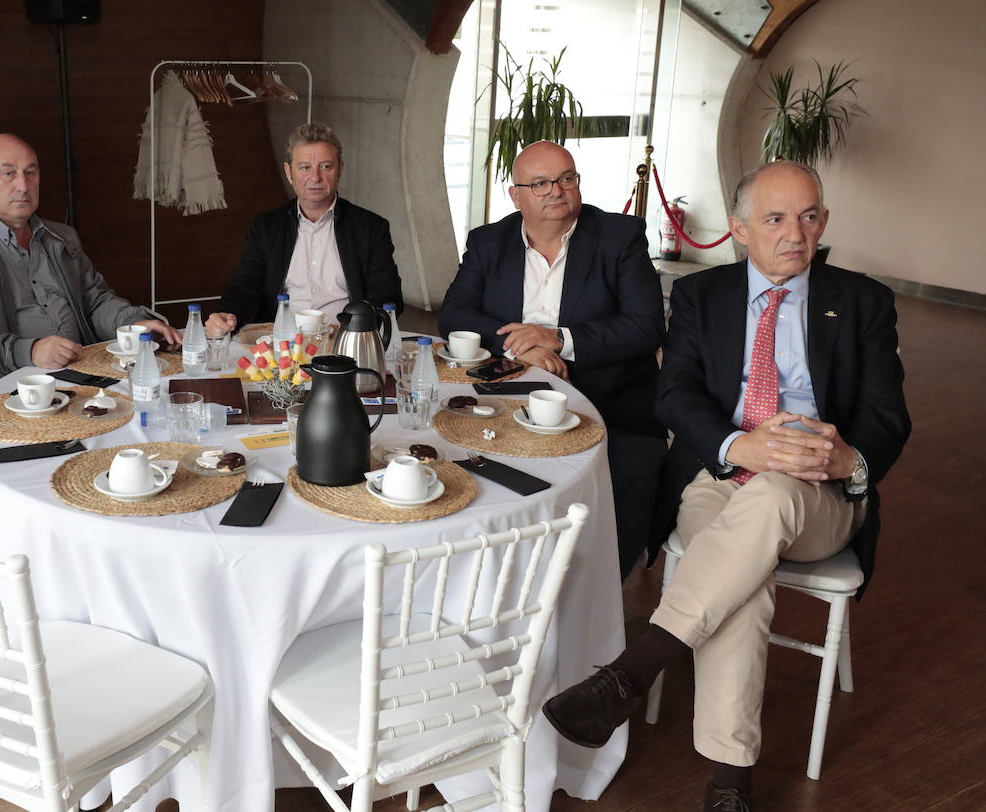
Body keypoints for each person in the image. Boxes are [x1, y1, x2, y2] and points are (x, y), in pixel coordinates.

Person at [543, 161, 911, 811]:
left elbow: (887, 417)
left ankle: (635, 670)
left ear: (823, 221)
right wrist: (739, 444)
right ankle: (729, 784)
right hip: (721, 474)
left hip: (816, 495)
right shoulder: (701, 296)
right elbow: (674, 394)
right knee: (742, 574)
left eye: (809, 215)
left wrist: (845, 460)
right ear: (739, 229)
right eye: (775, 218)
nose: (795, 233)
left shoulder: (861, 301)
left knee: (768, 503)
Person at [439, 140, 666, 578]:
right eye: (540, 183)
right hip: (505, 390)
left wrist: (559, 339)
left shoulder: (619, 237)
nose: (556, 191)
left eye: (566, 178)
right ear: (516, 194)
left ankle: (595, 589)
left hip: (608, 398)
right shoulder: (489, 241)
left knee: (633, 472)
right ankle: (500, 576)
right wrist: (527, 348)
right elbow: (454, 314)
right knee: (464, 464)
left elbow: (647, 326)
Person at [0, 134, 179, 419]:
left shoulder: (61, 237)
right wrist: (29, 351)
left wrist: (131, 323)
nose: (22, 185)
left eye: (30, 173)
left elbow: (95, 301)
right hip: (2, 390)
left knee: (159, 410)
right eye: (8, 174)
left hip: (80, 377)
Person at [205, 122, 402, 333]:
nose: (315, 178)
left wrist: (358, 327)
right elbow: (245, 285)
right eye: (305, 167)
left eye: (325, 166)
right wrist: (230, 313)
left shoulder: (371, 228)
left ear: (340, 169)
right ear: (289, 172)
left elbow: (387, 293)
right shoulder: (266, 228)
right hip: (281, 342)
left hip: (345, 339)